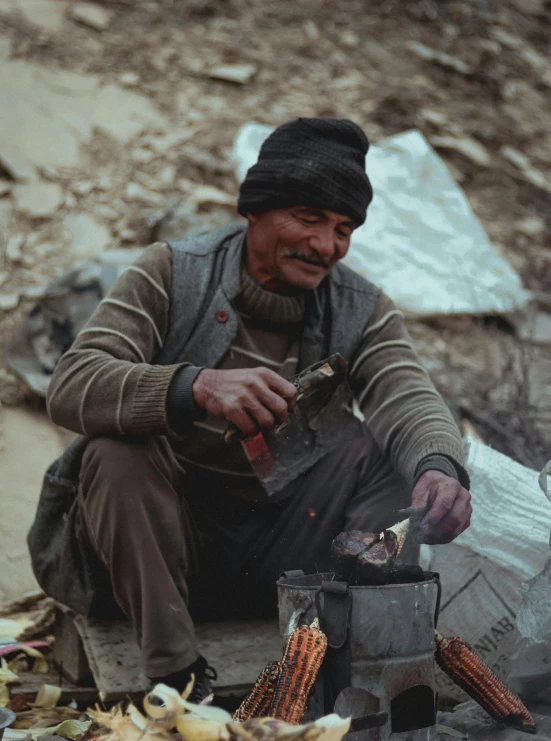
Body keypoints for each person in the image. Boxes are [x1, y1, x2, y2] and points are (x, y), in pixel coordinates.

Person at [28, 118, 471, 701]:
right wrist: (194, 386)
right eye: (308, 218)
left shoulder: (358, 306)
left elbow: (406, 393)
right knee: (113, 451)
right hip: (152, 558)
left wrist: (440, 465)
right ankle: (176, 679)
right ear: (254, 209)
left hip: (283, 561)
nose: (325, 246)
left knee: (382, 454)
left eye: (342, 229)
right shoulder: (171, 273)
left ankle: (350, 661)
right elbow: (72, 384)